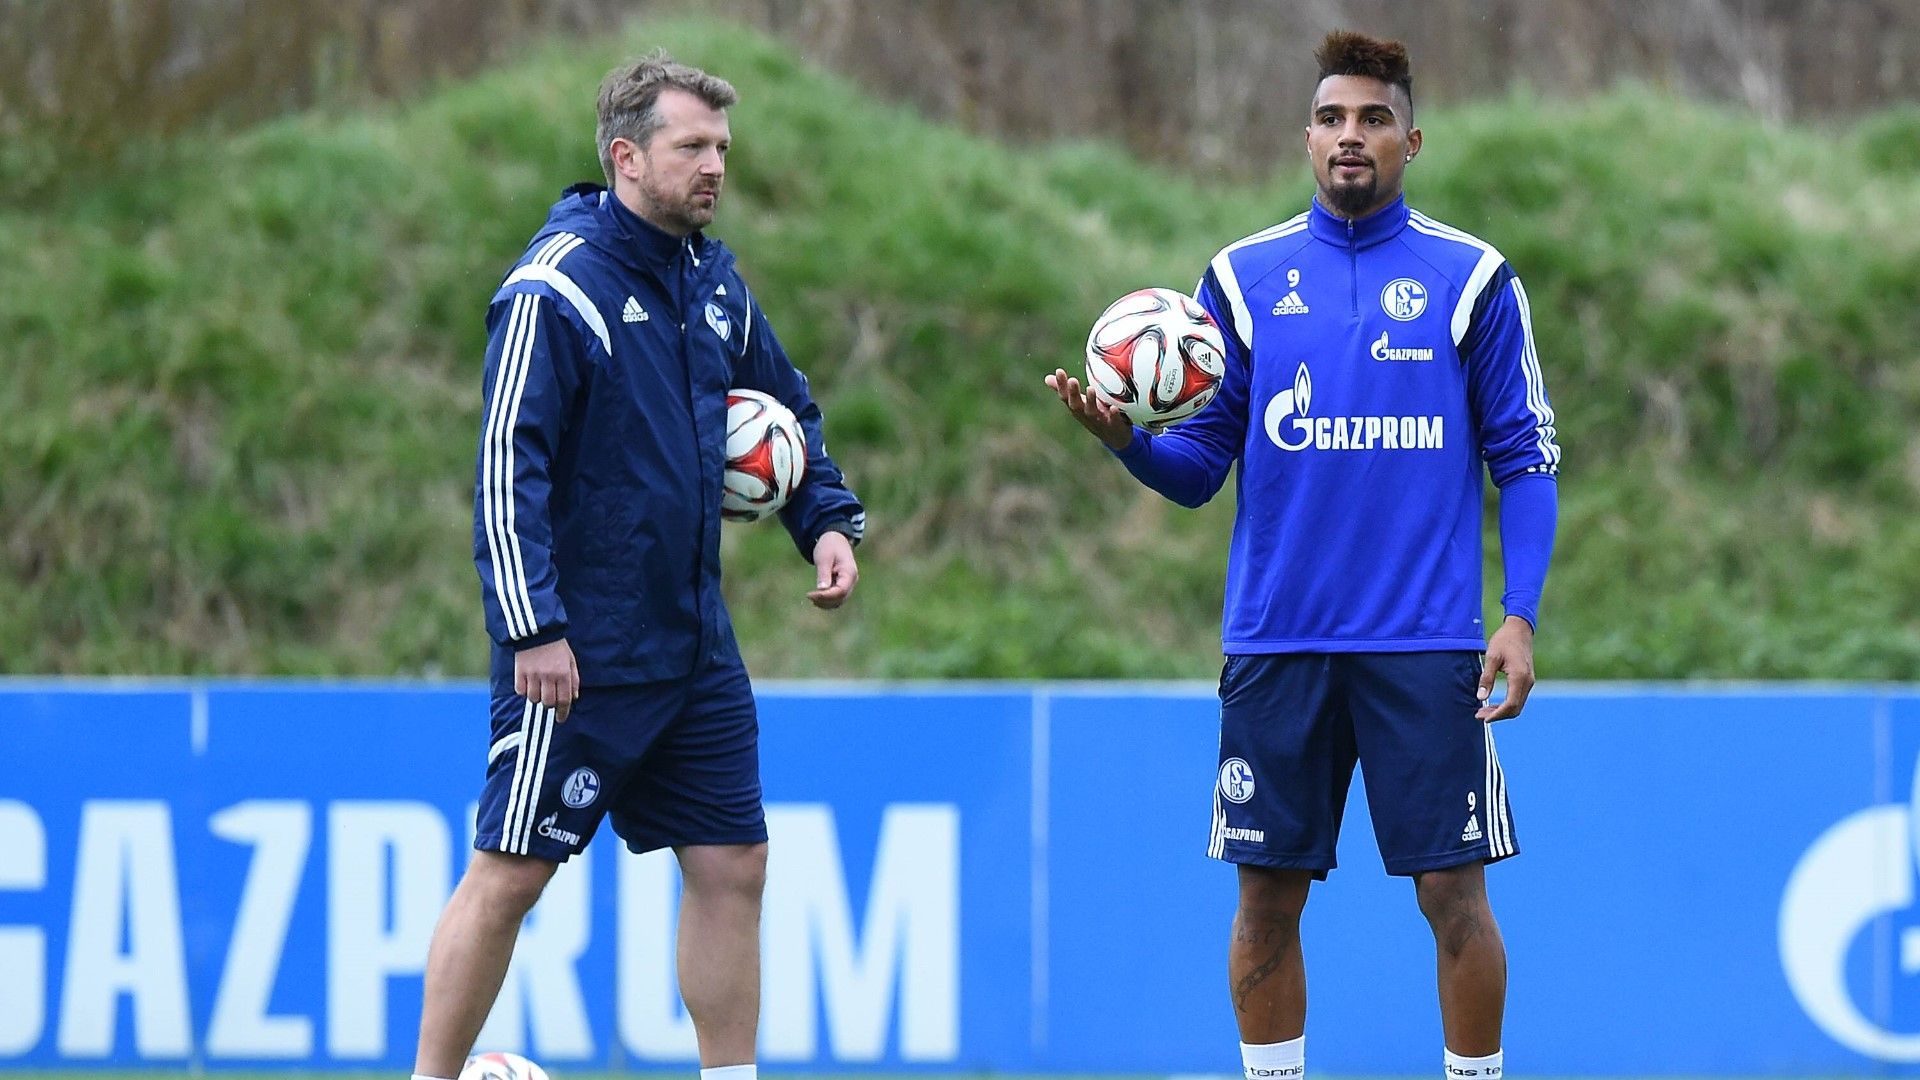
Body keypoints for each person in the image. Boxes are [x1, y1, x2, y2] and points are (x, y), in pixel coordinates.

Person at [1047, 29, 1558, 1080]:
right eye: (1331, 118)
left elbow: (1527, 455)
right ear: (1306, 137)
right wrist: (1127, 442)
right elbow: (1199, 470)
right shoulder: (1240, 281)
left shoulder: (1472, 280)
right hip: (1278, 641)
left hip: (1425, 646)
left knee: (1454, 897)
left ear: (1413, 139)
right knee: (1265, 899)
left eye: (1373, 118)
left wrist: (1521, 613)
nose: (1349, 137)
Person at [413, 51, 865, 1080]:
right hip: (578, 650)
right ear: (626, 156)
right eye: (691, 147)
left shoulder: (712, 278)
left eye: (722, 148)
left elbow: (784, 408)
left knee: (732, 861)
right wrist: (532, 626)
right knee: (510, 876)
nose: (714, 167)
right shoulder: (554, 288)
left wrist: (825, 518)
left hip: (692, 642)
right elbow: (503, 467)